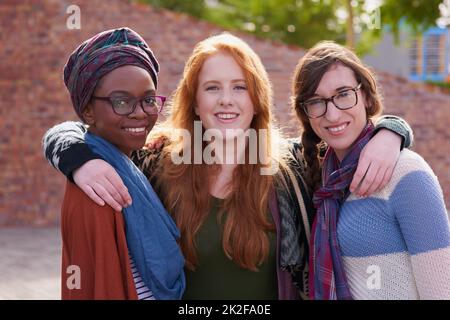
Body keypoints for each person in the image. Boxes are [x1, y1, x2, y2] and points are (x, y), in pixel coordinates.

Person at [43, 33, 412, 299]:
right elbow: (85, 130)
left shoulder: (291, 168)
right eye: (212, 88)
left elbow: (344, 138)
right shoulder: (156, 162)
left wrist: (392, 130)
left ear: (256, 99)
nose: (226, 101)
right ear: (194, 101)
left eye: (239, 87)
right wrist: (76, 158)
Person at [292, 41, 450, 300]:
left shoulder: (406, 173)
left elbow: (442, 292)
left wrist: (392, 132)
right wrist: (394, 129)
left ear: (365, 95)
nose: (332, 114)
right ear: (306, 112)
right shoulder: (321, 177)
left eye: (343, 94)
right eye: (316, 101)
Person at [53, 27, 185, 300]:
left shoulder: (131, 163)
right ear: (88, 110)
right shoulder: (97, 188)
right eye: (121, 102)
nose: (140, 114)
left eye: (148, 100)